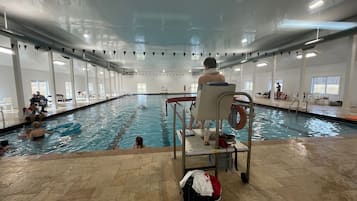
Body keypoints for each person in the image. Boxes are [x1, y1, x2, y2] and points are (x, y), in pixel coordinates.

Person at [188, 57, 225, 141]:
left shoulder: (202, 78)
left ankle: (189, 128)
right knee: (205, 104)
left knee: (193, 107)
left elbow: (199, 95)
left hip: (204, 108)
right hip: (218, 108)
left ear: (206, 66)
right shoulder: (222, 78)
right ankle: (201, 124)